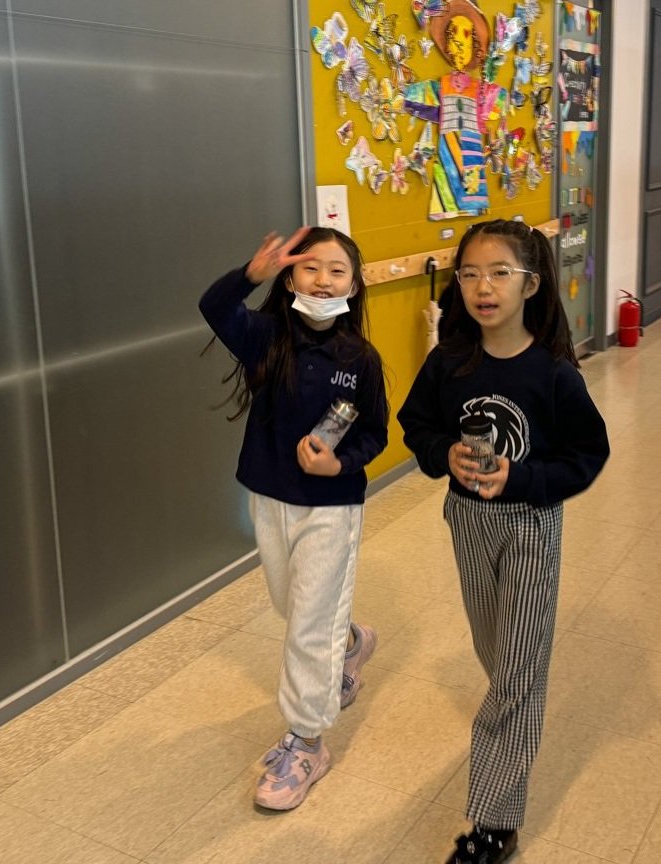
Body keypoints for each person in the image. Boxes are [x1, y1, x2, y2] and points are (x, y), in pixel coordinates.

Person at [397, 219, 609, 863]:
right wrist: (444, 453)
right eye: (469, 274)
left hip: (529, 525)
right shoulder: (449, 361)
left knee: (515, 670)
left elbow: (587, 454)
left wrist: (523, 478)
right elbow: (416, 424)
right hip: (468, 522)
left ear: (530, 284)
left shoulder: (553, 373)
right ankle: (516, 708)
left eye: (498, 273)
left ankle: (493, 822)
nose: (482, 287)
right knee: (497, 650)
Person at [199, 226, 388, 810]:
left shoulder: (360, 359)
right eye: (310, 268)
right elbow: (214, 308)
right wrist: (248, 276)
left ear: (353, 286)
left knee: (307, 626)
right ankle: (350, 640)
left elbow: (376, 433)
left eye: (337, 270)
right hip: (270, 496)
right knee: (293, 605)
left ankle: (307, 741)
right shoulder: (265, 338)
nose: (323, 279)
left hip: (332, 506)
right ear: (289, 279)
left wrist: (339, 463)